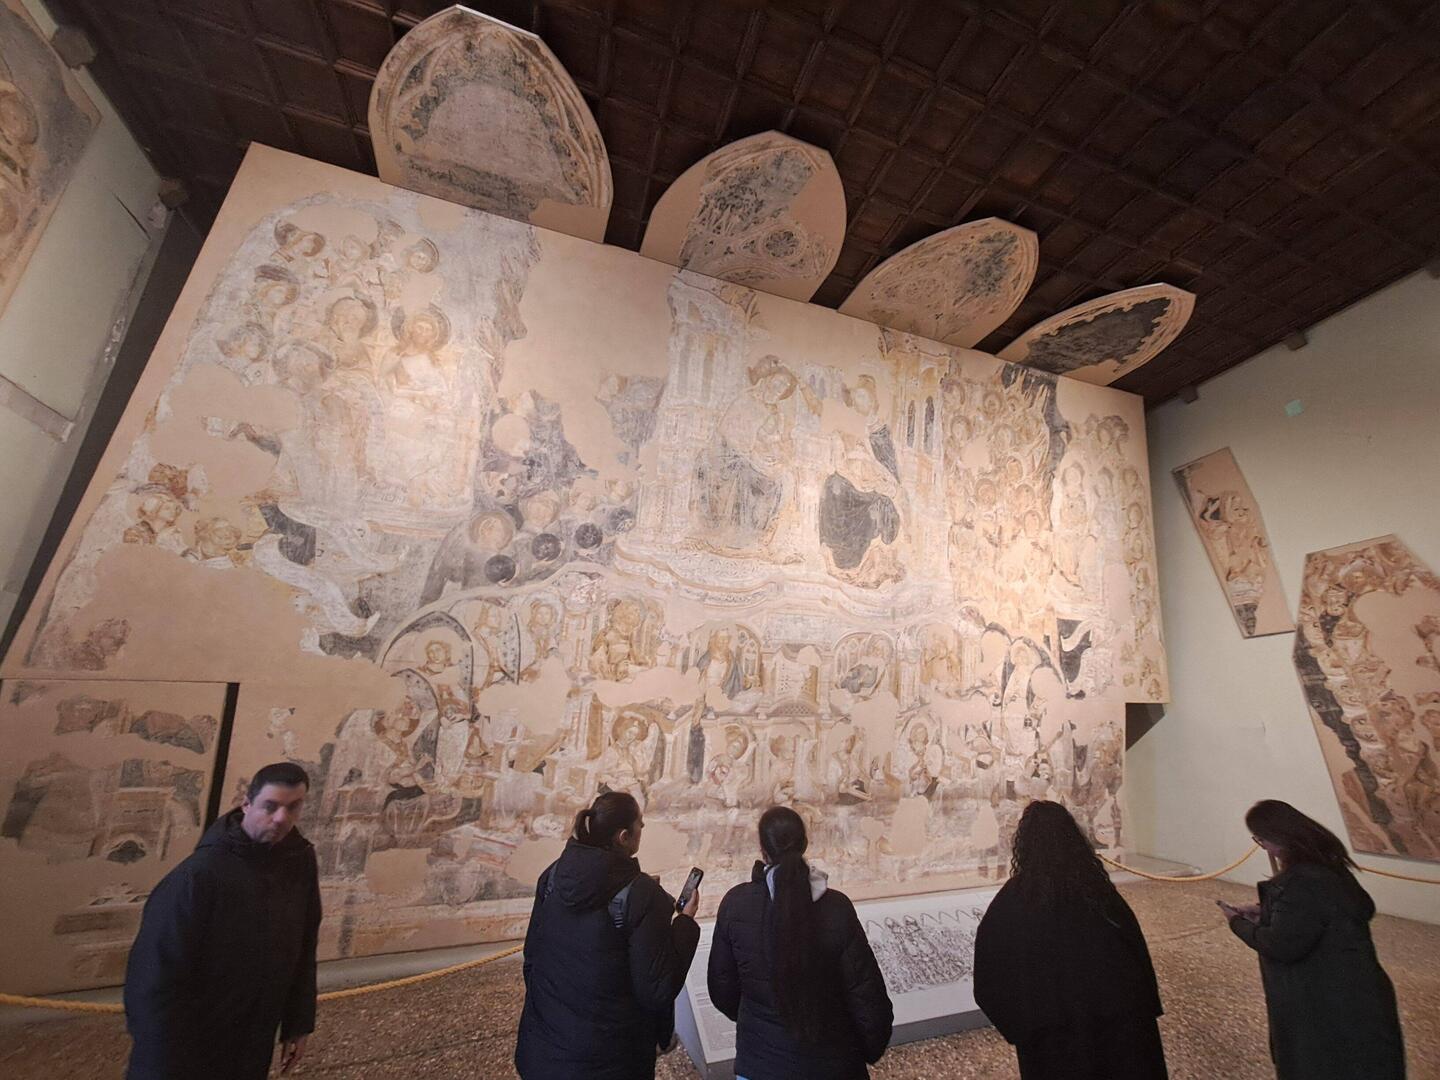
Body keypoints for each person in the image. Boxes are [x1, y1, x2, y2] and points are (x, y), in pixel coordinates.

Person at [124, 762, 322, 1080]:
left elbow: (304, 944)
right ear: (246, 804)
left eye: (293, 807)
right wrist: (163, 1059)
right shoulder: (199, 874)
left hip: (254, 1035)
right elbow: (153, 975)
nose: (281, 818)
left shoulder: (299, 861)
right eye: (270, 806)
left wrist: (297, 1023)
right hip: (190, 1043)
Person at [973, 799, 1166, 1079]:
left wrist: (1019, 1027)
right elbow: (1136, 955)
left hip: (1053, 1040)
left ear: (1025, 844)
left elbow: (989, 974)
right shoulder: (1099, 893)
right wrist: (1145, 1009)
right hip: (1121, 1031)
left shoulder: (1014, 901)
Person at [515, 791, 700, 1079]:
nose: (643, 827)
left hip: (543, 1050)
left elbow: (532, 958)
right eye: (640, 823)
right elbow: (656, 990)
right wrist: (684, 923)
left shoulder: (553, 875)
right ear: (623, 837)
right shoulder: (640, 894)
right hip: (608, 1061)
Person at [1220, 799, 1405, 1079]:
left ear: (1278, 836)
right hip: (1355, 994)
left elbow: (1281, 945)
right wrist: (1267, 912)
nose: (1263, 847)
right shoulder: (1328, 867)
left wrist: (1237, 922)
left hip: (1325, 1002)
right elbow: (1318, 916)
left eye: (1261, 839)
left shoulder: (1303, 881)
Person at [707, 805, 893, 1080]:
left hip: (762, 1063)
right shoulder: (836, 907)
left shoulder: (736, 904)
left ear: (763, 850)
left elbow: (723, 989)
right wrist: (867, 1049)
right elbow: (865, 993)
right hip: (831, 1063)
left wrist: (761, 1018)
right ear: (804, 844)